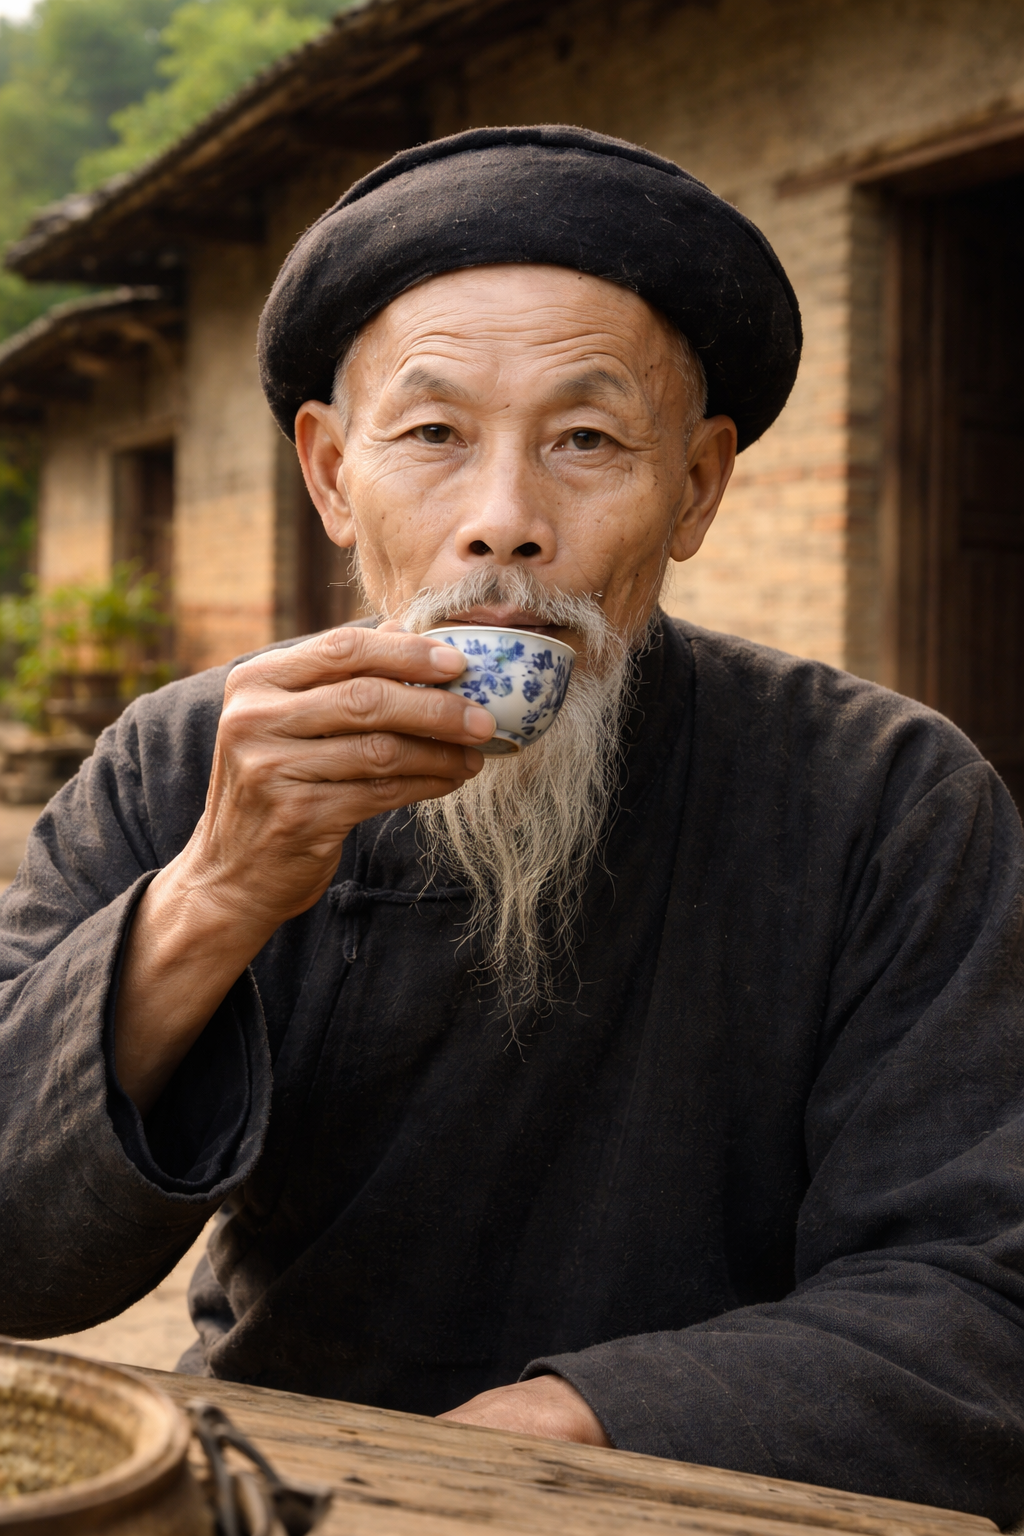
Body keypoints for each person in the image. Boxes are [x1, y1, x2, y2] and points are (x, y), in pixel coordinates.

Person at [2, 125, 1024, 1522]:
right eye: (430, 435)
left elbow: (982, 1300)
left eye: (588, 440)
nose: (504, 522)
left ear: (697, 488)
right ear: (329, 476)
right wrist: (213, 894)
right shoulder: (188, 761)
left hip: (711, 1503)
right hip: (286, 1487)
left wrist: (562, 1430)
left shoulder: (889, 798)